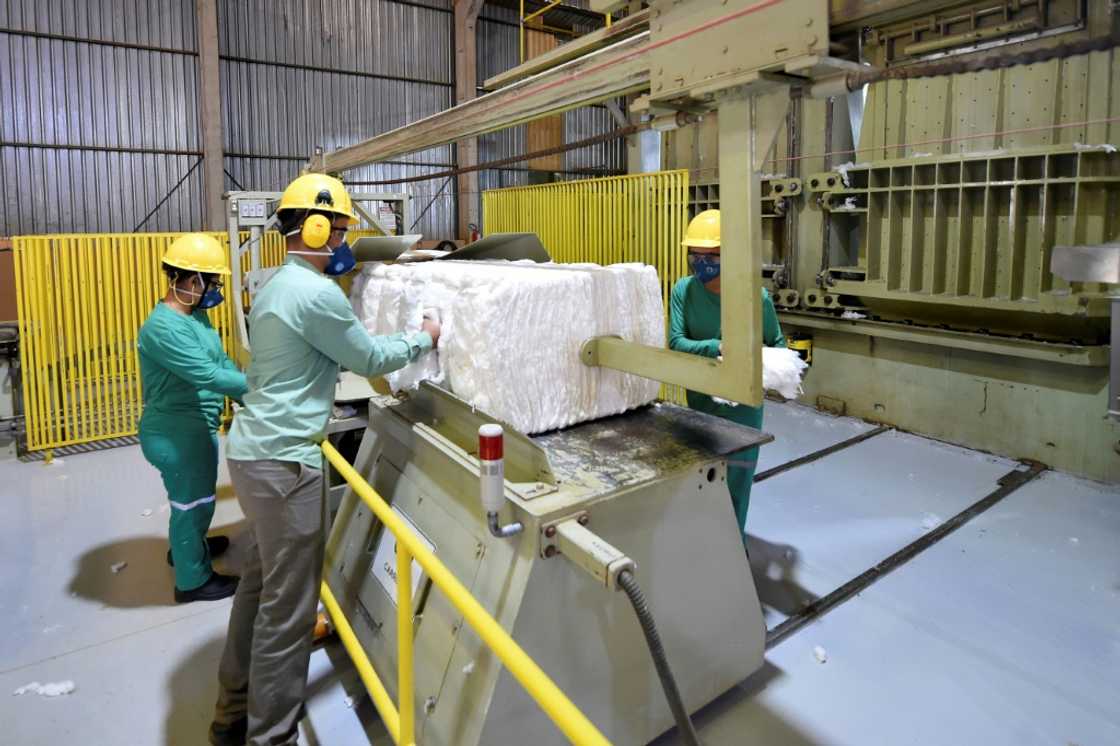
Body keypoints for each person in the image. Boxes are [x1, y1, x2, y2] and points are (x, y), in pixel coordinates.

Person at [210, 173, 441, 746]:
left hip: (250, 453)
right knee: (287, 615)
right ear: (314, 227)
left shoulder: (274, 285)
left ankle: (231, 714)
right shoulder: (316, 295)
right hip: (286, 465)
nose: (343, 244)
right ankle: (272, 738)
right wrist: (424, 337)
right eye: (339, 231)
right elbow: (366, 356)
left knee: (259, 588)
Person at [138, 233, 248, 603]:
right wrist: (260, 388)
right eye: (211, 282)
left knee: (197, 500)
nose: (214, 290)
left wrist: (242, 388)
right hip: (176, 433)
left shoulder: (196, 316)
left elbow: (219, 362)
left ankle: (189, 548)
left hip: (194, 427)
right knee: (192, 503)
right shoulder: (163, 328)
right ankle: (192, 580)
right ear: (190, 280)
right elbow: (209, 375)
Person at [668, 209, 786, 549]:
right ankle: (702, 548)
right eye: (696, 254)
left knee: (736, 483)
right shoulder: (684, 291)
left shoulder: (754, 298)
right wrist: (718, 346)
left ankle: (732, 552)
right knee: (701, 481)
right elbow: (677, 342)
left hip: (742, 411)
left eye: (712, 256)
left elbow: (777, 346)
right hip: (701, 403)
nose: (701, 262)